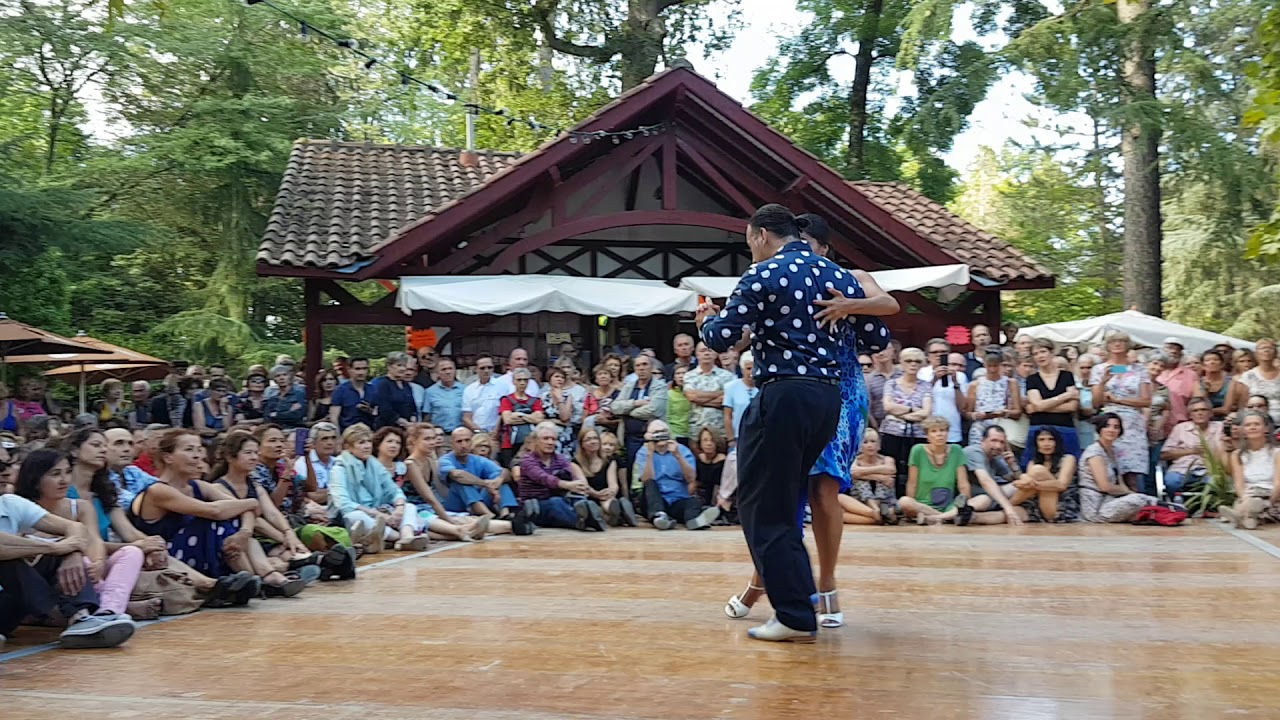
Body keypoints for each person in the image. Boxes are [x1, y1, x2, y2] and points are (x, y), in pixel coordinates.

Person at [698, 204, 888, 643]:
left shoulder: (761, 275)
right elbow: (876, 337)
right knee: (787, 499)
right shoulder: (839, 276)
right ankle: (802, 600)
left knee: (766, 505)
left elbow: (723, 338)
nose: (752, 251)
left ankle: (794, 615)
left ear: (762, 234)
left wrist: (707, 319)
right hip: (828, 399)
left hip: (783, 393)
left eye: (750, 243)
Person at [128, 429, 305, 596]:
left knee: (237, 527)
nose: (197, 456)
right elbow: (214, 511)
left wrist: (245, 532)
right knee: (218, 520)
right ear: (168, 457)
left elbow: (245, 510)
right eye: (189, 450)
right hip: (170, 557)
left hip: (206, 553)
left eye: (199, 449)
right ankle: (258, 579)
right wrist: (250, 502)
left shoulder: (199, 486)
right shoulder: (158, 490)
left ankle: (267, 576)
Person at [0, 476, 139, 649]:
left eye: (4, 466)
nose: (4, 474)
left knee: (63, 555)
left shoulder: (10, 503)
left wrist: (71, 552)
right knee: (9, 558)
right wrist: (54, 548)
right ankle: (65, 615)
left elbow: (76, 528)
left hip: (10, 602)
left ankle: (80, 619)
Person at [328, 423, 427, 554]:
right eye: (361, 442)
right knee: (357, 517)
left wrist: (399, 508)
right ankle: (397, 539)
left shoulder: (374, 464)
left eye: (369, 441)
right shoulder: (339, 468)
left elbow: (394, 490)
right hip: (354, 513)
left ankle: (407, 537)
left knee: (409, 507)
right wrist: (378, 515)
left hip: (379, 511)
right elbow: (343, 504)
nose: (367, 446)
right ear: (348, 447)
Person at [401, 424, 509, 540]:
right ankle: (460, 531)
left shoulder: (429, 461)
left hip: (431, 508)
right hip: (416, 511)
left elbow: (439, 490)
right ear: (414, 441)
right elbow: (429, 498)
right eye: (427, 439)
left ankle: (513, 525)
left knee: (473, 520)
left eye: (433, 438)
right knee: (451, 524)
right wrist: (448, 519)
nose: (432, 442)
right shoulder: (411, 464)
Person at [1090, 332, 1152, 493]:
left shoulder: (1139, 369)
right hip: (1108, 421)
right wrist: (1102, 383)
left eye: (1122, 341)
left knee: (1131, 474)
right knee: (1107, 470)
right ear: (1108, 346)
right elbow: (1096, 403)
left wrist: (1118, 400)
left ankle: (1135, 506)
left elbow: (1146, 401)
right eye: (1113, 341)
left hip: (1132, 423)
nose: (1117, 344)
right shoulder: (1099, 369)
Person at [517, 422, 606, 531]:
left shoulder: (560, 459)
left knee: (577, 499)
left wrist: (580, 486)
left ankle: (591, 515)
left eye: (553, 439)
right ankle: (584, 521)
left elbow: (571, 476)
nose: (550, 442)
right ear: (536, 441)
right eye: (546, 438)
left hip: (561, 500)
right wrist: (567, 485)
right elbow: (543, 478)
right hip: (535, 505)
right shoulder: (528, 460)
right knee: (556, 502)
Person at [634, 419, 718, 531]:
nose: (660, 435)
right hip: (654, 501)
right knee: (650, 483)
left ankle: (694, 520)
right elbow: (646, 479)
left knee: (692, 502)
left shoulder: (682, 450)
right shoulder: (643, 452)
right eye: (656, 432)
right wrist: (650, 454)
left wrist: (678, 456)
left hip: (677, 499)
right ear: (648, 436)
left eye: (663, 431)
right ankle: (660, 516)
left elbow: (691, 478)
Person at [1077, 413, 1159, 523]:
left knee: (1147, 500)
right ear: (1100, 429)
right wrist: (1129, 493)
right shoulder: (1094, 452)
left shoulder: (1114, 450)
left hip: (1110, 501)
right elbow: (1105, 486)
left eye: (1116, 427)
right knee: (1138, 499)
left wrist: (1127, 492)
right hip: (1095, 507)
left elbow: (1120, 482)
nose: (1111, 430)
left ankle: (1171, 510)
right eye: (1107, 426)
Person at [880, 347, 932, 497]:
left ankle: (912, 502)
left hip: (918, 434)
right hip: (892, 433)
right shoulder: (892, 384)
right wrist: (912, 410)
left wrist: (900, 414)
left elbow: (926, 412)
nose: (913, 364)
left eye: (917, 361)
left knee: (915, 469)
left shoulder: (925, 385)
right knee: (892, 468)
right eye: (909, 361)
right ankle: (891, 503)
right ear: (901, 362)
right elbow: (888, 406)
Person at [898, 416, 969, 525]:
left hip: (949, 506)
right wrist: (910, 508)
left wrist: (965, 505)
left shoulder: (956, 450)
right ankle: (948, 518)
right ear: (927, 436)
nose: (939, 434)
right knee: (904, 501)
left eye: (942, 430)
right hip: (923, 505)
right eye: (934, 431)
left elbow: (963, 484)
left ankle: (936, 518)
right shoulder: (918, 450)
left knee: (983, 500)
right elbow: (912, 483)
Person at [439, 427, 520, 520]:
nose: (464, 445)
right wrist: (485, 483)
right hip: (455, 503)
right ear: (452, 444)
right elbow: (458, 475)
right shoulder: (446, 459)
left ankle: (506, 514)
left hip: (479, 499)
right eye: (459, 441)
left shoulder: (478, 460)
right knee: (462, 482)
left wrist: (498, 481)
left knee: (501, 482)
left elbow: (504, 472)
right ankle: (489, 516)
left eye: (467, 440)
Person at [1023, 338, 1081, 463]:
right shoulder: (1032, 379)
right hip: (1039, 428)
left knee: (1069, 466)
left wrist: (1041, 406)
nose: (1039, 356)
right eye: (1035, 354)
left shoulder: (1067, 376)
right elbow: (1038, 405)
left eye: (1042, 352)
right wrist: (1066, 396)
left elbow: (1072, 407)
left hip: (1065, 427)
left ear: (1052, 352)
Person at [1219, 411, 1280, 529]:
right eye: (1248, 425)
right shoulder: (1237, 455)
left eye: (1256, 424)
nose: (1252, 427)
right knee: (1251, 500)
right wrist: (1244, 498)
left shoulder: (1277, 453)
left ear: (1266, 428)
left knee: (1257, 500)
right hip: (1249, 495)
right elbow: (1239, 483)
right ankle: (1250, 517)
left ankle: (1241, 515)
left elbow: (1278, 483)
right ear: (1243, 430)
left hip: (1271, 496)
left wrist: (1270, 502)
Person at [717, 350, 759, 515]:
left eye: (754, 368)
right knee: (734, 468)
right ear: (742, 369)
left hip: (760, 439)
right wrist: (730, 439)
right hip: (738, 437)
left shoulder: (764, 387)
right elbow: (727, 416)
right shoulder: (731, 387)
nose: (751, 372)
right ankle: (724, 500)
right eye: (748, 368)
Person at [611, 355, 669, 470]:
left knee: (653, 468)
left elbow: (654, 410)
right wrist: (635, 403)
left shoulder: (660, 386)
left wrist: (628, 412)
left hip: (654, 436)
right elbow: (615, 407)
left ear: (651, 367)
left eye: (645, 364)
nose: (641, 368)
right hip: (630, 437)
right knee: (632, 468)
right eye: (638, 365)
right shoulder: (628, 387)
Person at [1161, 397, 1224, 500]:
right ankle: (1178, 507)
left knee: (1216, 482)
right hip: (1182, 469)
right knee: (1171, 482)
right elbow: (1164, 454)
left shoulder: (1220, 427)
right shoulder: (1180, 428)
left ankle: (1210, 509)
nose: (1200, 413)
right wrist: (1192, 451)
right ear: (1190, 415)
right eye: (1195, 410)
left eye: (1203, 410)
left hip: (1210, 470)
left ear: (1211, 413)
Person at [572, 426, 635, 526]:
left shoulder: (609, 460)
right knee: (593, 506)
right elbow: (583, 485)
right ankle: (617, 515)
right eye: (588, 439)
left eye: (595, 438)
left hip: (607, 496)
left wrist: (611, 492)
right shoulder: (575, 463)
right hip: (589, 495)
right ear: (582, 444)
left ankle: (614, 511)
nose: (593, 442)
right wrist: (596, 494)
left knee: (608, 502)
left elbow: (613, 484)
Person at [1023, 427, 1079, 522]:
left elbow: (1062, 485)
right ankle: (1007, 506)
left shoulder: (1068, 459)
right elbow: (1028, 489)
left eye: (1051, 439)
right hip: (1035, 506)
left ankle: (1008, 504)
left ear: (1057, 442)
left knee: (1038, 471)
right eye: (1041, 440)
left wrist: (1034, 484)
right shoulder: (1032, 462)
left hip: (1060, 506)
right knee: (1009, 513)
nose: (1046, 444)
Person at [683, 342, 735, 443]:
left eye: (709, 350)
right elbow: (692, 397)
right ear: (697, 354)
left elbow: (726, 400)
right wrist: (719, 393)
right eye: (702, 351)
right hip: (696, 427)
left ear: (715, 354)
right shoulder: (689, 376)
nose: (706, 353)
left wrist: (700, 400)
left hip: (720, 428)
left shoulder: (728, 376)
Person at [967, 349, 1020, 446]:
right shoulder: (975, 384)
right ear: (984, 365)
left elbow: (1017, 411)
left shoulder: (1011, 383)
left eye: (995, 366)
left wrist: (1004, 413)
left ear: (1000, 365)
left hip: (1002, 425)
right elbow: (967, 412)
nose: (992, 369)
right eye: (989, 366)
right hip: (980, 426)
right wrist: (975, 415)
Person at [845, 428, 897, 524]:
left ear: (879, 445)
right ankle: (875, 510)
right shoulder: (855, 460)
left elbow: (891, 470)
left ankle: (883, 510)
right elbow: (853, 472)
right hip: (861, 500)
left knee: (887, 481)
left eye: (873, 442)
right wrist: (880, 476)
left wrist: (863, 473)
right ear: (860, 446)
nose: (870, 445)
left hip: (885, 499)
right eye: (865, 442)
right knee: (860, 482)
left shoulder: (887, 459)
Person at [498, 368, 545, 466]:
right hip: (509, 443)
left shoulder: (535, 400)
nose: (522, 383)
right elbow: (507, 420)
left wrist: (520, 415)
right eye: (519, 380)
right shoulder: (506, 400)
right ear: (513, 381)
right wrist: (530, 417)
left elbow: (539, 419)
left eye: (525, 380)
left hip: (530, 443)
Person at [540, 366, 585, 455]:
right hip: (545, 431)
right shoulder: (542, 396)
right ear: (549, 378)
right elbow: (539, 417)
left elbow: (565, 418)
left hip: (564, 432)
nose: (560, 379)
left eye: (562, 377)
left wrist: (560, 399)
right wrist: (553, 421)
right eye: (557, 376)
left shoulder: (568, 396)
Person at [1236, 338, 1280, 425]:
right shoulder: (1248, 376)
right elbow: (1243, 404)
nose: (1266, 350)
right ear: (1256, 354)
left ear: (1275, 353)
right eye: (1262, 348)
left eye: (1270, 348)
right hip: (1257, 421)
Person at [368, 352, 416, 430]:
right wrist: (405, 423)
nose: (403, 369)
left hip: (407, 428)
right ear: (389, 367)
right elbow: (385, 410)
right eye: (399, 365)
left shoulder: (406, 385)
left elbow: (412, 406)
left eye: (404, 365)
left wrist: (413, 421)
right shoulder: (382, 384)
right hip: (388, 428)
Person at [329, 357, 375, 431]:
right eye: (357, 369)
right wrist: (338, 437)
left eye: (364, 368)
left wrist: (370, 410)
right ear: (349, 369)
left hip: (369, 433)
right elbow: (334, 417)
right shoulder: (340, 390)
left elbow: (381, 414)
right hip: (347, 434)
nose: (361, 372)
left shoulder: (374, 389)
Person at [422, 356, 466, 433]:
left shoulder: (465, 389)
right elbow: (427, 417)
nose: (447, 372)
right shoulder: (430, 392)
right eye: (443, 369)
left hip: (461, 434)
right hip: (440, 434)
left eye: (450, 368)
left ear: (455, 370)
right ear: (438, 373)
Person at [263, 365, 307, 429]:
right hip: (275, 429)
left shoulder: (299, 393)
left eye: (284, 375)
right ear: (274, 379)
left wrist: (275, 414)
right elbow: (267, 418)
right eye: (277, 376)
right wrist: (289, 411)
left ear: (289, 376)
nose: (282, 378)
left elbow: (297, 416)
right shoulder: (272, 398)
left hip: (294, 429)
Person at [693, 427, 726, 509]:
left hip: (719, 496)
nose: (709, 443)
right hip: (701, 497)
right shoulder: (697, 459)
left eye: (712, 440)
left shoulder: (723, 460)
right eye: (705, 440)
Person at [1197, 350, 1234, 420]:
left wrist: (1206, 412)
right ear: (1202, 366)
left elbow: (1226, 409)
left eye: (1216, 359)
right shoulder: (1198, 382)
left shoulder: (1231, 381)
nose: (1212, 362)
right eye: (1207, 360)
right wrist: (1206, 390)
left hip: (1227, 419)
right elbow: (1200, 405)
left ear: (1222, 364)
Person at [666, 365, 692, 447]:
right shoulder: (669, 395)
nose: (681, 376)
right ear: (674, 377)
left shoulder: (696, 393)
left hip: (694, 434)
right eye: (678, 373)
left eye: (684, 373)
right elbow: (666, 416)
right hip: (676, 435)